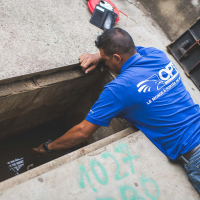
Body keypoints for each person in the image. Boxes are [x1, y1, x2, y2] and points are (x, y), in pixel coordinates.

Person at [33, 28, 200, 193]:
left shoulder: (119, 89)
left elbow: (82, 132)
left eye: (105, 59)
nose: (105, 63)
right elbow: (130, 51)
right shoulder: (156, 56)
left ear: (117, 57)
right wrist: (98, 55)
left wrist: (48, 147)